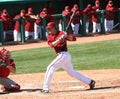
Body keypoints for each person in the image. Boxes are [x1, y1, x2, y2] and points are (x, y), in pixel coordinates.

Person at [40, 22, 95, 93]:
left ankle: (45, 88)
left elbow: (74, 39)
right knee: (72, 73)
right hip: (62, 56)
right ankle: (90, 82)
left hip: (64, 55)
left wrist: (67, 36)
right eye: (48, 29)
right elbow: (52, 45)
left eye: (50, 28)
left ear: (55, 28)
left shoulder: (62, 33)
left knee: (50, 68)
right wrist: (59, 39)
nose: (49, 30)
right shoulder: (50, 36)